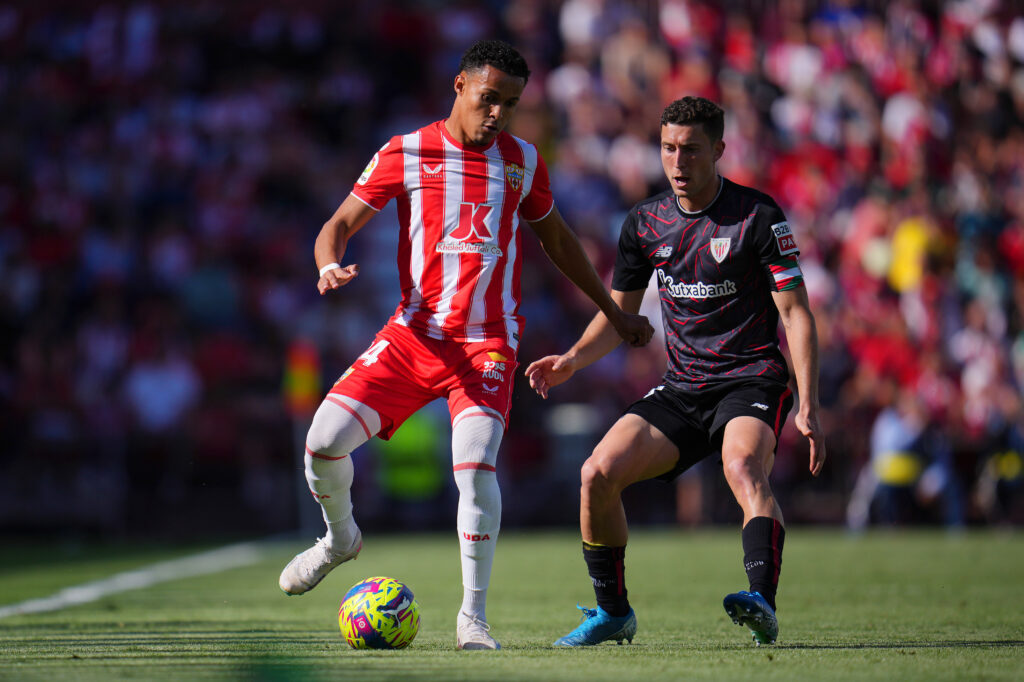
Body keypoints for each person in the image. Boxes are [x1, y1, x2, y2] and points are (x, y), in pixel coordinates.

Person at [277, 40, 653, 651]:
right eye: (489, 99)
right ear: (459, 87)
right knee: (321, 444)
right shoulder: (406, 151)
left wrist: (614, 310)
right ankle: (339, 540)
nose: (499, 113)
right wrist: (326, 264)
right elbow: (338, 225)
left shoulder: (522, 162)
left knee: (475, 467)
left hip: (487, 344)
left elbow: (558, 242)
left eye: (511, 103)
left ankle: (471, 618)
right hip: (412, 336)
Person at [526, 96, 826, 647]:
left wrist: (807, 403)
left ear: (719, 150)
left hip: (751, 378)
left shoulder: (758, 217)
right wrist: (571, 360)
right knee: (596, 473)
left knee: (742, 467)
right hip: (682, 388)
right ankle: (613, 612)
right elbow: (621, 314)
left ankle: (762, 601)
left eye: (690, 150)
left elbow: (796, 314)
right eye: (668, 148)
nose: (677, 162)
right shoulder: (644, 223)